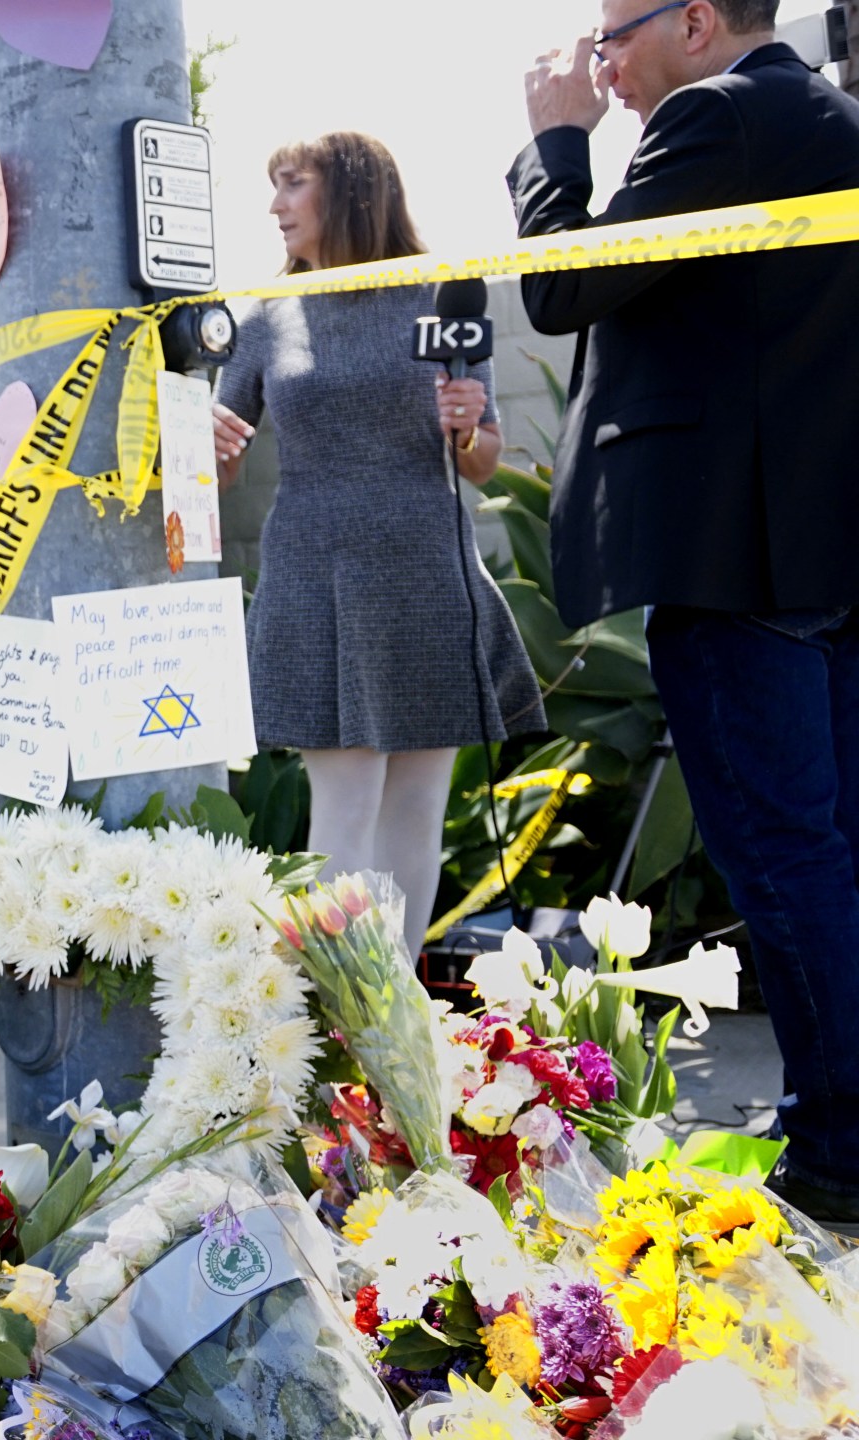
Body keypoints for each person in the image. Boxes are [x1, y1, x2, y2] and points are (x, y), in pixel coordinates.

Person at [516, 0, 859, 1230]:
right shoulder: (834, 122)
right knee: (832, 855)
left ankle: (839, 1150)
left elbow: (567, 288)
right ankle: (840, 1121)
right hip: (823, 556)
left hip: (738, 561)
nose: (599, 61)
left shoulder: (714, 115)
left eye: (615, 34)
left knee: (784, 855)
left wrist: (554, 144)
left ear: (699, 22)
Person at [211, 132, 546, 963]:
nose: (275, 205)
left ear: (352, 192)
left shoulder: (442, 294)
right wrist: (202, 441)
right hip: (315, 578)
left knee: (418, 807)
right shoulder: (263, 310)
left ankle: (396, 1024)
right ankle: (332, 1027)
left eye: (292, 184)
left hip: (427, 572)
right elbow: (218, 462)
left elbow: (481, 462)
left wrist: (469, 426)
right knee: (345, 802)